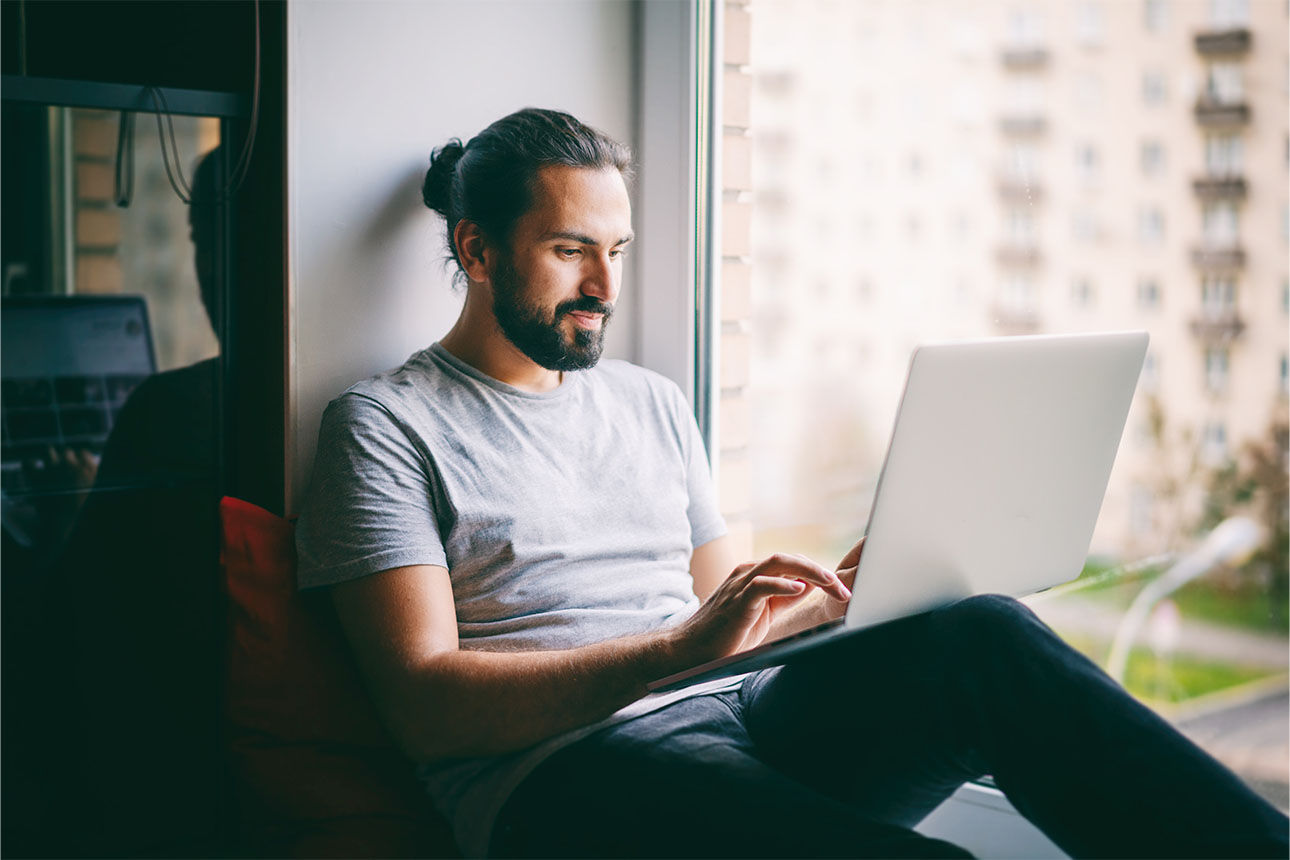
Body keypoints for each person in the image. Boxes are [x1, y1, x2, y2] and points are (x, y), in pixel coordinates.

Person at [295, 108, 1288, 859]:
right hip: (554, 778)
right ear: (477, 249)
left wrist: (833, 606)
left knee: (978, 631)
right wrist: (679, 647)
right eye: (569, 251)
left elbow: (727, 620)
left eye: (616, 251)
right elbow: (424, 704)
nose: (602, 286)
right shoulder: (385, 425)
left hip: (727, 710)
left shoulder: (650, 403)